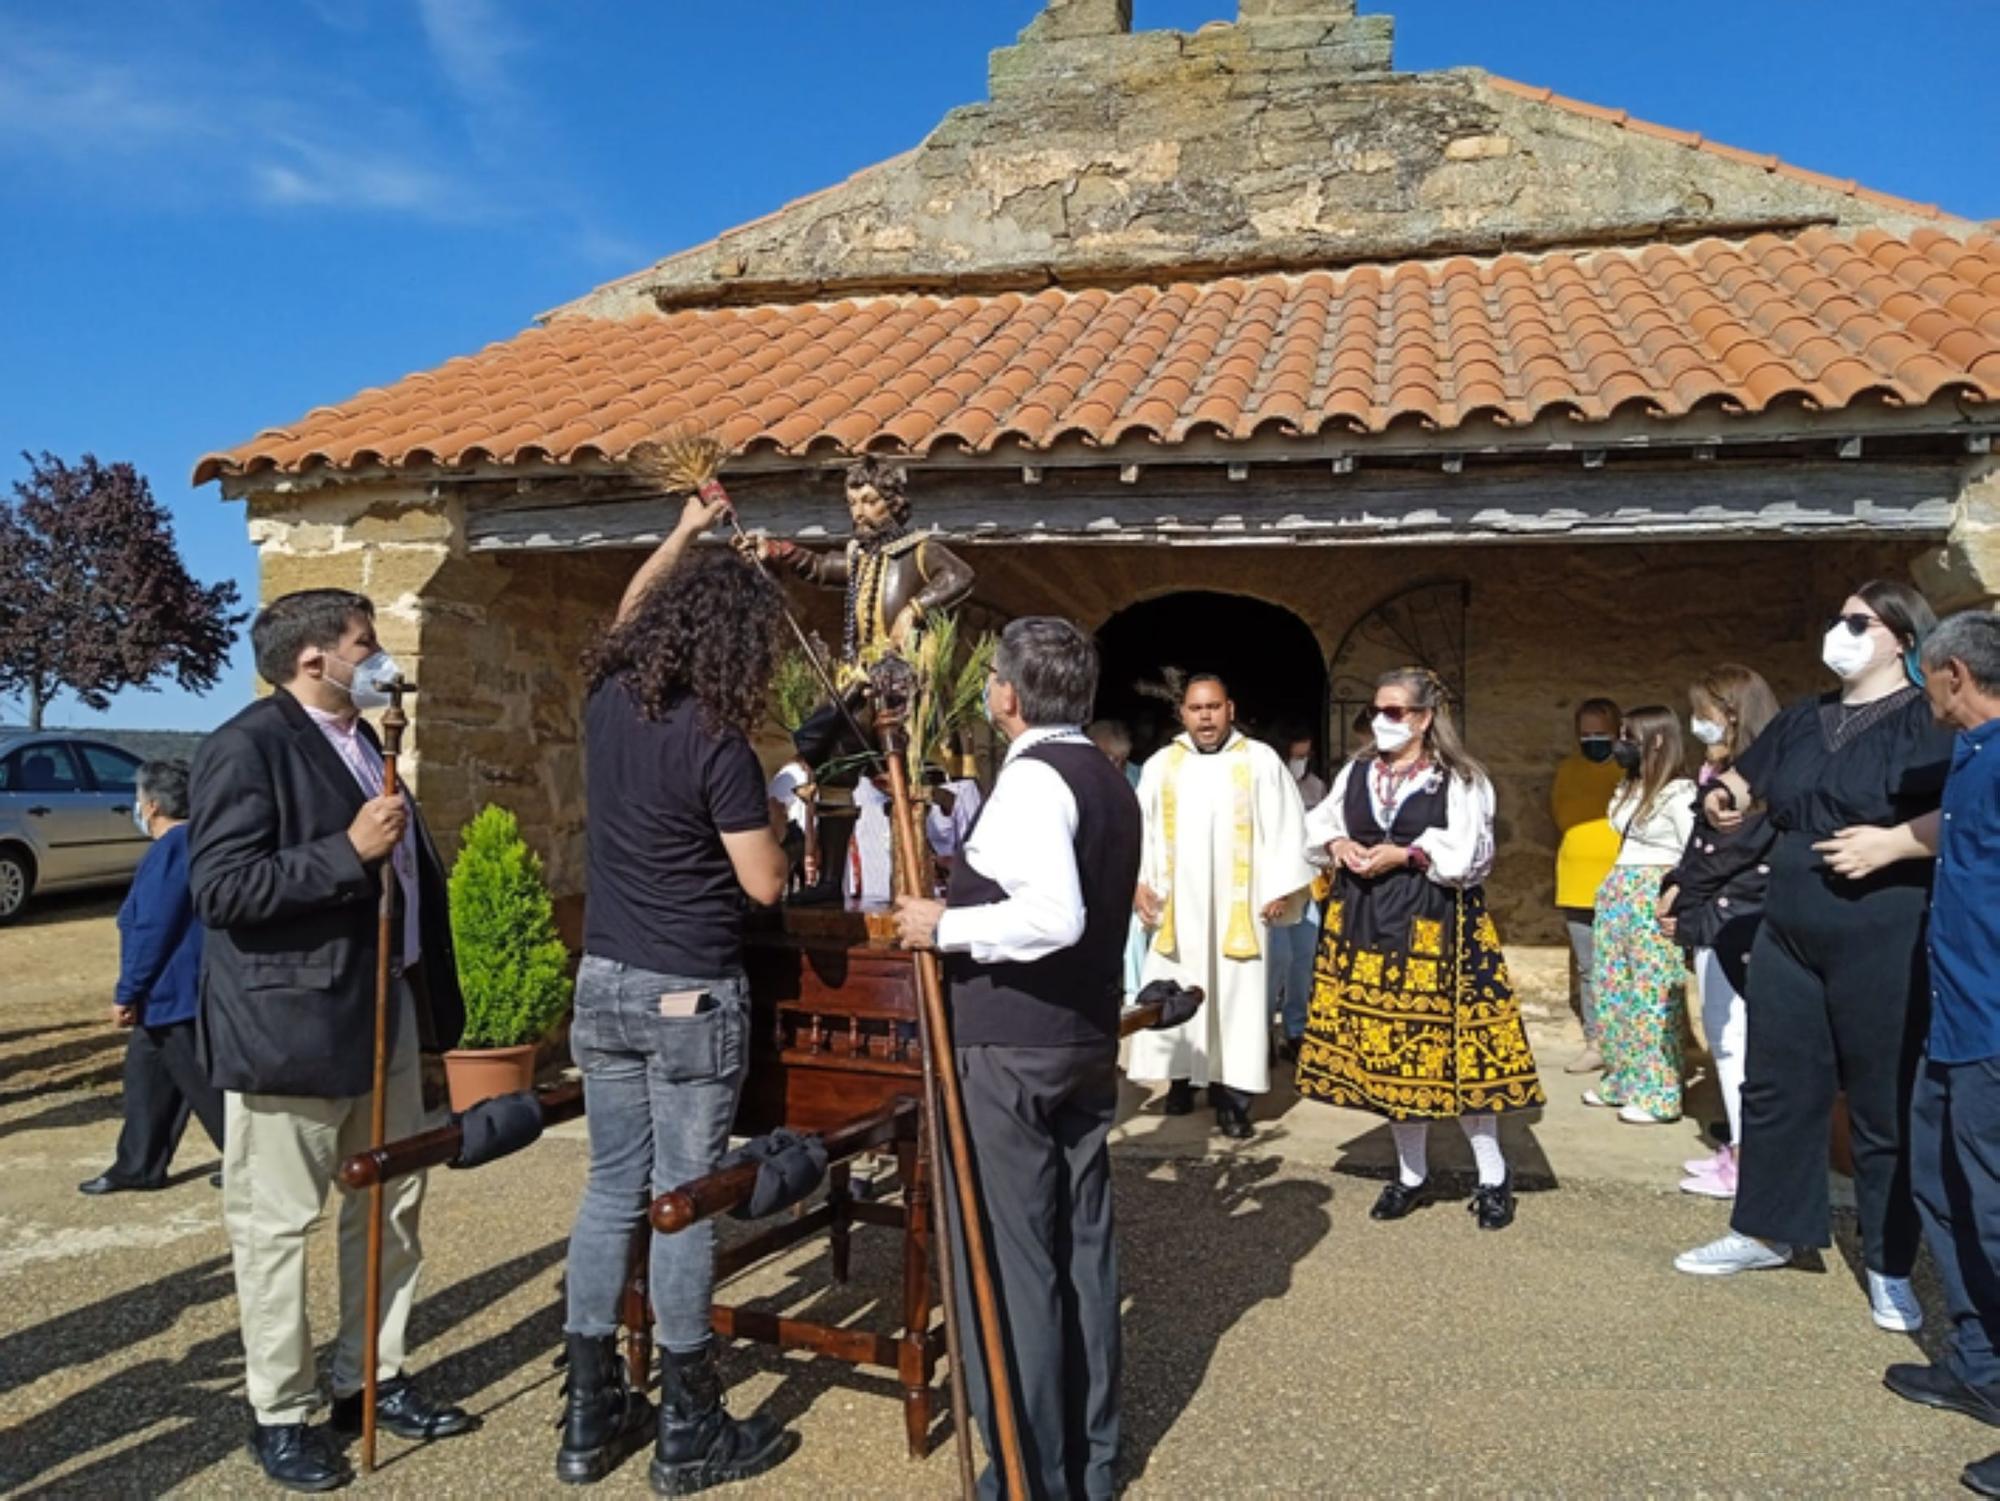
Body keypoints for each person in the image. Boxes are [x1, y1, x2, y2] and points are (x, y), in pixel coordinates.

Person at [190, 589, 472, 1492]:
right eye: (366, 642)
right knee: (278, 1224)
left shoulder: (367, 741)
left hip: (383, 1010)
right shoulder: (247, 746)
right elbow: (223, 890)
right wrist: (345, 850)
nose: (382, 654)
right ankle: (279, 1408)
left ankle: (370, 1375)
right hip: (293, 1025)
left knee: (390, 1204)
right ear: (314, 658)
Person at [558, 491, 795, 1492]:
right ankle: (688, 1429)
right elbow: (764, 884)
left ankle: (587, 1414)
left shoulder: (608, 703)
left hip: (602, 979)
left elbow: (625, 612)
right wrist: (781, 810)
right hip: (686, 989)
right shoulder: (717, 742)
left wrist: (686, 531)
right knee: (682, 1200)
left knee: (611, 1190)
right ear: (737, 646)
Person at [893, 617, 1141, 1501]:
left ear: (1007, 694)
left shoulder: (1035, 778)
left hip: (1013, 1047)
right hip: (1077, 1041)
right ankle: (1090, 1457)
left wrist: (942, 924)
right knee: (1081, 1253)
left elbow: (1056, 915)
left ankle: (1031, 1468)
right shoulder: (1108, 780)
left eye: (993, 678)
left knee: (1013, 1261)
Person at [1675, 580, 1950, 1339]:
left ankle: (1890, 1261)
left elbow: (1969, 804)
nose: (1840, 631)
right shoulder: (1804, 718)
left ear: (1900, 636)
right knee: (1775, 1082)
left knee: (1880, 1098)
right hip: (1790, 922)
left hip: (1883, 921)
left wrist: (1894, 841)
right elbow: (1746, 777)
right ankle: (1767, 1228)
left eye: (1858, 622)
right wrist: (1724, 795)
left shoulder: (1929, 718)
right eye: (1838, 618)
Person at [1295, 668, 1544, 1229]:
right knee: (1389, 1052)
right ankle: (1410, 1173)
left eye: (1395, 711)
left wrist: (1407, 855)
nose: (1381, 722)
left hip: (1435, 925)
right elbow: (1317, 825)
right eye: (1376, 711)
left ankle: (1493, 1175)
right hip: (1365, 923)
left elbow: (1472, 858)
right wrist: (1338, 842)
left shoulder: (1460, 777)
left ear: (1426, 717)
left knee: (1454, 1052)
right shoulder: (1359, 771)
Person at [1870, 612, 2000, 1497]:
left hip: (1995, 1028)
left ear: (1955, 674)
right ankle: (1981, 1366)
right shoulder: (1972, 754)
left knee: (1997, 1214)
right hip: (1952, 1019)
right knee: (1942, 1188)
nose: (1923, 696)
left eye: (1927, 679)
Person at [1124, 674, 1316, 1139]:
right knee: (1176, 991)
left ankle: (1233, 1099)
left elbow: (1288, 827)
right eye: (1196, 709)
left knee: (1238, 1001)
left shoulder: (1260, 761)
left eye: (1213, 707)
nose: (1205, 717)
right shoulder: (1161, 765)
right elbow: (1136, 831)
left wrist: (1283, 888)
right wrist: (1137, 885)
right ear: (1183, 714)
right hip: (1178, 909)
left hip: (1240, 908)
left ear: (1230, 709)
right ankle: (1180, 1081)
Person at [1658, 666, 1781, 1197]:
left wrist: (1680, 894)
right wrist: (1675, 886)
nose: (1696, 724)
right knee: (1724, 1040)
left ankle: (1749, 1165)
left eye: (1703, 713)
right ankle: (1737, 1150)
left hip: (1734, 922)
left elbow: (1729, 854)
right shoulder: (1721, 774)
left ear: (1732, 714)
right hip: (1713, 918)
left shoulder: (1754, 782)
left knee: (1733, 1042)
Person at [78, 759, 225, 1197]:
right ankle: (139, 1164)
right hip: (172, 992)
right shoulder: (194, 843)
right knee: (146, 1075)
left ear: (154, 804)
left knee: (203, 1085)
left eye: (140, 800)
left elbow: (152, 927)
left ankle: (246, 1161)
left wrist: (128, 990)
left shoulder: (172, 850)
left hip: (172, 990)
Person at [1582, 707, 1696, 1125]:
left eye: (1629, 736)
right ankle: (1623, 1079)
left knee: (1652, 994)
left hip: (1652, 892)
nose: (1619, 744)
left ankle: (1659, 1092)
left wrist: (1676, 897)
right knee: (1613, 990)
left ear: (1658, 740)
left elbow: (1691, 851)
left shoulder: (1679, 793)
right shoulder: (1629, 786)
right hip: (1618, 892)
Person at [1551, 697, 1625, 1073]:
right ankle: (1596, 1043)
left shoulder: (1630, 769)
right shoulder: (1568, 769)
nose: (1593, 741)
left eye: (1601, 734)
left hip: (1622, 878)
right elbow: (1562, 814)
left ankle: (1628, 1043)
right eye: (1586, 734)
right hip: (1577, 878)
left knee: (1626, 965)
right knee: (1589, 967)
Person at [1267, 722, 1328, 1059]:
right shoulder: (1265, 784)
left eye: (1305, 756)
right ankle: (1262, 1035)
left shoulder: (1315, 787)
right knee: (1276, 960)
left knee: (1303, 959)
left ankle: (1295, 1029)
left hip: (1306, 887)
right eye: (1295, 756)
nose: (1300, 763)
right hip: (1275, 886)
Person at [1086, 718, 1150, 1003]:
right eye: (1109, 757)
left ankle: (1137, 997)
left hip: (1138, 871)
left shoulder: (1143, 777)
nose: (1115, 765)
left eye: (1121, 759)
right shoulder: (1082, 777)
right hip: (1095, 871)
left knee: (1137, 930)